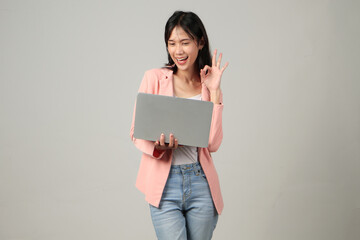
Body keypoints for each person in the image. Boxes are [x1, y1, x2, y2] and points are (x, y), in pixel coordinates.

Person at [130, 10, 228, 240]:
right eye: (172, 43)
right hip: (165, 184)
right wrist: (159, 147)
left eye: (185, 42)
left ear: (200, 42)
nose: (178, 51)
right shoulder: (154, 78)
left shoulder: (207, 85)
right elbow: (136, 132)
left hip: (200, 182)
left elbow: (212, 144)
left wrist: (215, 92)